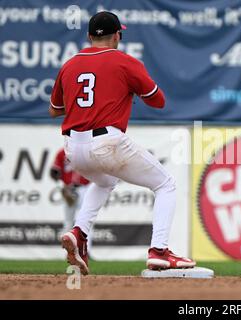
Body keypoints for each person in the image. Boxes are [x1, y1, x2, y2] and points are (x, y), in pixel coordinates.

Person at [48, 11, 195, 275]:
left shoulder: (69, 64)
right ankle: (159, 251)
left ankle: (79, 232)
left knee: (105, 181)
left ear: (89, 36)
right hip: (106, 140)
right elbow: (158, 100)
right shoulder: (124, 61)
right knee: (166, 185)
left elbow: (55, 109)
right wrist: (128, 90)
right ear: (117, 35)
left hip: (73, 146)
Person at [50, 148, 93, 253]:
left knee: (86, 221)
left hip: (84, 188)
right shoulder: (62, 153)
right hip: (68, 189)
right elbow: (54, 172)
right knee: (68, 222)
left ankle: (86, 251)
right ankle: (68, 253)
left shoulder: (88, 152)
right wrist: (62, 186)